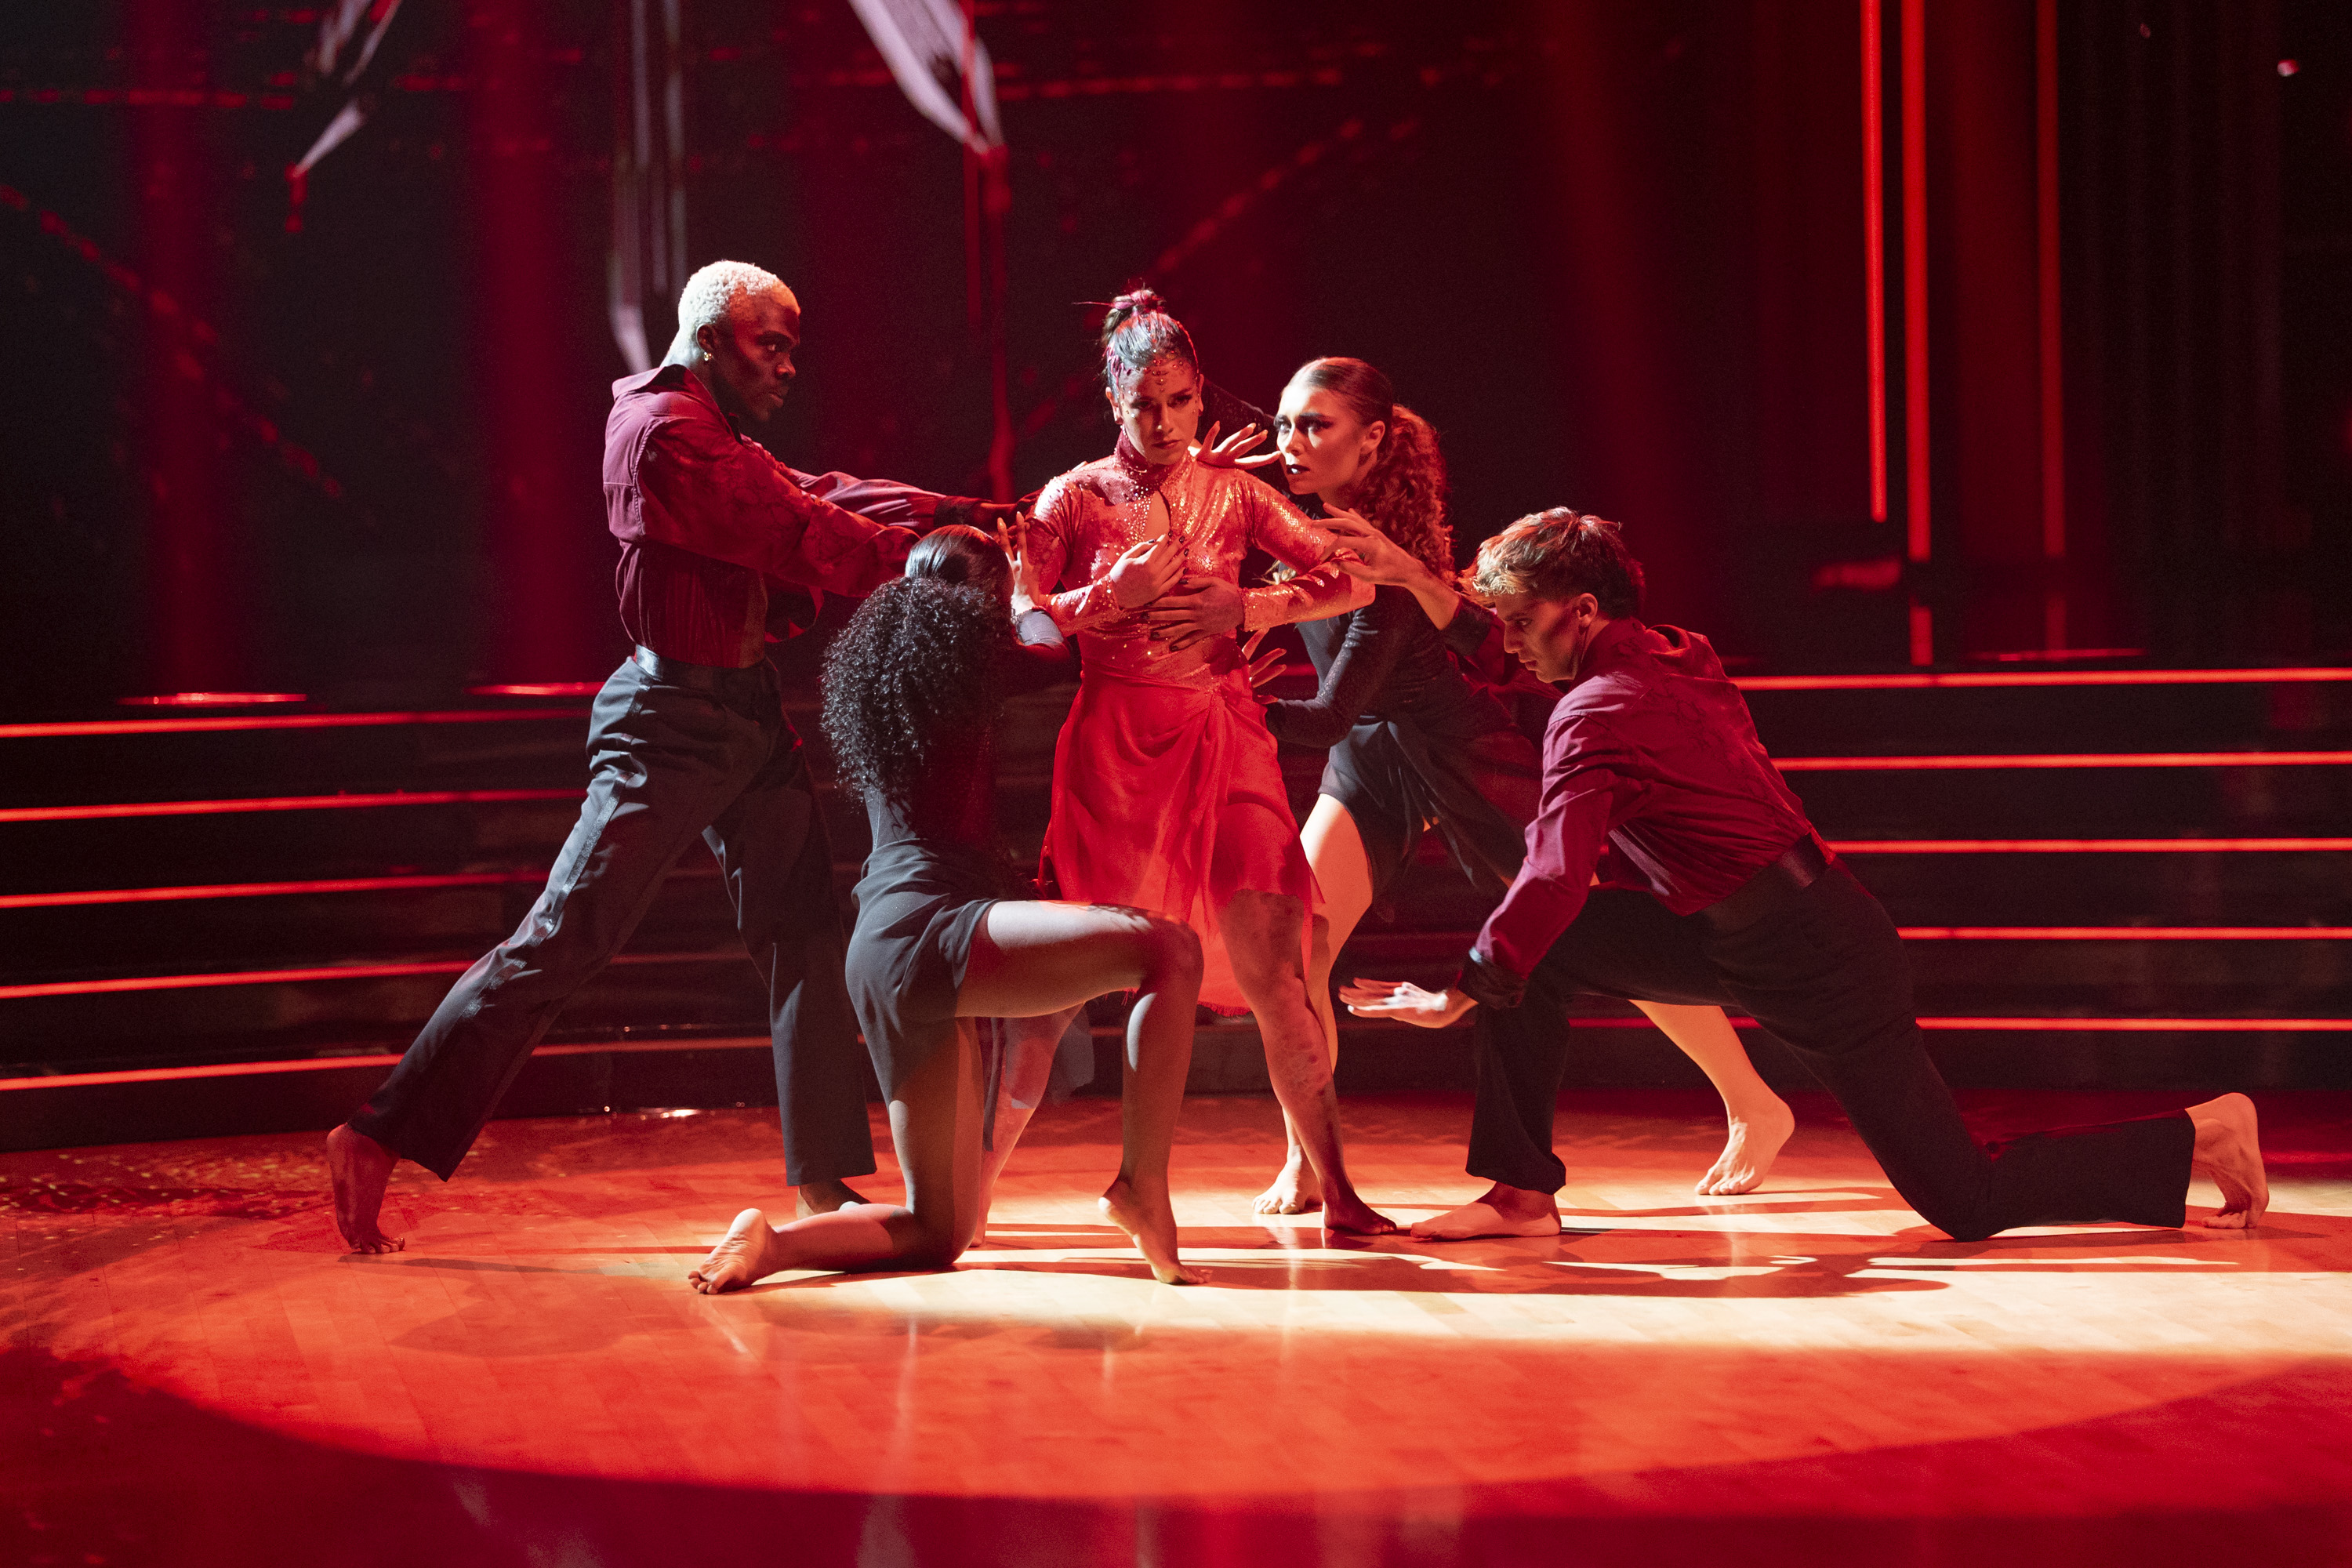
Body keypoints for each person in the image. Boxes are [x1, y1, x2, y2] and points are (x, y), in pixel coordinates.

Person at [1340, 508, 2269, 1241]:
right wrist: (1417, 578)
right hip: (1730, 932)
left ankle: (2205, 1130)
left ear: (1581, 613)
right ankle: (1520, 1193)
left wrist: (1464, 991)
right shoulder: (1676, 650)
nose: (1511, 641)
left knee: (1966, 1198)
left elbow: (1554, 874)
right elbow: (1520, 665)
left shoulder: (1596, 712)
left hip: (1820, 955)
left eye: (1520, 621)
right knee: (1538, 952)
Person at [327, 260, 1012, 1254]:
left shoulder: (711, 427)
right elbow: (800, 530)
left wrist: (966, 513)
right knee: (567, 934)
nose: (787, 366)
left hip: (741, 710)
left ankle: (823, 1179)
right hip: (667, 722)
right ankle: (377, 1131)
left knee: (802, 930)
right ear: (710, 339)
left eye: (791, 348)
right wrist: (942, 557)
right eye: (770, 346)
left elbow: (815, 488)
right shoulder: (664, 433)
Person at [1236, 359, 1790, 1230]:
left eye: (1314, 424)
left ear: (1372, 440)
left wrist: (1218, 697)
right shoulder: (1299, 529)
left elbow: (1330, 707)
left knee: (1579, 931)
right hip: (1371, 757)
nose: (1290, 443)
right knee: (1299, 943)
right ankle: (1308, 1155)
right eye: (1282, 425)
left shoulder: (1392, 566)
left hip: (1462, 752)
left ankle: (1752, 1100)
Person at [690, 528, 1208, 1290]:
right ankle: (1141, 1185)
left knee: (938, 1229)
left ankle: (774, 1243)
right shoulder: (968, 652)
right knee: (1169, 949)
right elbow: (1053, 653)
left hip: (883, 954)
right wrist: (1030, 597)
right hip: (933, 929)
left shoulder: (890, 673)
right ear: (981, 606)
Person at [1006, 288, 1399, 1236]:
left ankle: (1339, 1192)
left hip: (1227, 742)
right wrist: (1105, 595)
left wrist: (1248, 607)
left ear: (1198, 394)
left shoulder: (1235, 492)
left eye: (1180, 401)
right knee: (1060, 991)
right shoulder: (1072, 497)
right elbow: (1023, 620)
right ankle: (967, 1191)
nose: (1164, 422)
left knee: (1280, 973)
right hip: (1117, 756)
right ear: (1113, 398)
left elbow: (1349, 579)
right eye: (1144, 404)